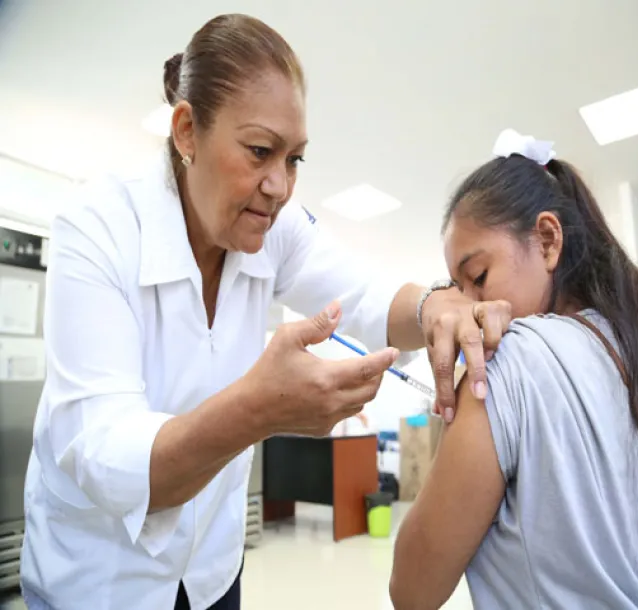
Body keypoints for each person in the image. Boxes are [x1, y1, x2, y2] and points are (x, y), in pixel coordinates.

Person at [19, 14, 513, 610]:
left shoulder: (272, 230)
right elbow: (110, 458)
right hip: (100, 580)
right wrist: (258, 409)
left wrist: (438, 305)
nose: (279, 185)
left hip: (210, 572)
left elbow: (367, 296)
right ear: (186, 131)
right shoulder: (96, 228)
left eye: (295, 159)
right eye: (260, 151)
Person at [390, 133, 638, 609]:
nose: (468, 308)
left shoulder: (508, 362)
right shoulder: (629, 342)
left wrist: (455, 416)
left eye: (478, 278)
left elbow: (410, 591)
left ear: (547, 240)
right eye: (457, 291)